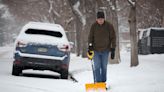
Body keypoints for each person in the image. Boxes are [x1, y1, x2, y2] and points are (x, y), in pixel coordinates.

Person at [88, 11, 116, 84]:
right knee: (97, 66)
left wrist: (113, 49)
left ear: (104, 19)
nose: (100, 21)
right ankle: (98, 82)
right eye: (99, 19)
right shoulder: (93, 26)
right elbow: (90, 37)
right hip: (96, 50)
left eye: (102, 19)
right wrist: (90, 46)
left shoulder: (109, 26)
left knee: (104, 67)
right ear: (97, 19)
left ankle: (103, 82)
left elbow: (113, 37)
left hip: (105, 50)